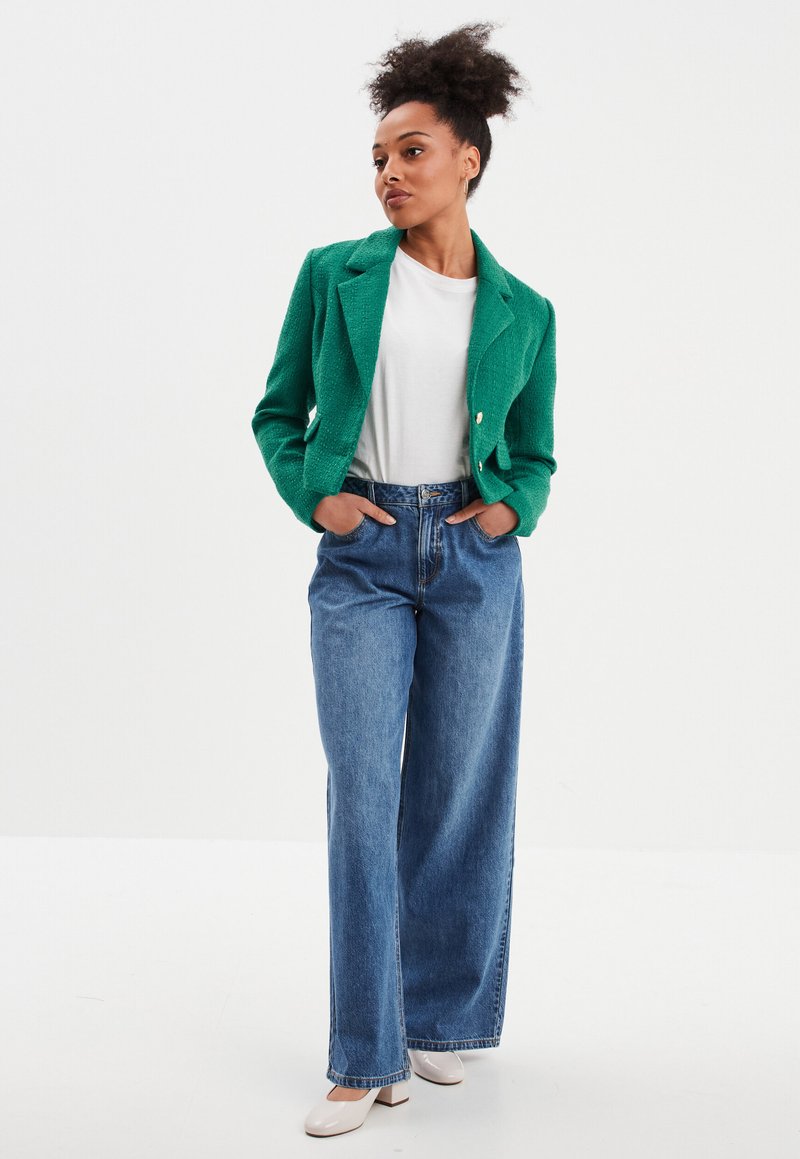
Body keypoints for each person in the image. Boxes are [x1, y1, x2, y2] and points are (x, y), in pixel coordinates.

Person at [250, 21, 558, 1138]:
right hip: (364, 557)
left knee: (459, 791)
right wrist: (317, 496)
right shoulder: (332, 276)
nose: (388, 172)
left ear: (468, 158)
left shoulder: (525, 310)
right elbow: (277, 412)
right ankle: (362, 1051)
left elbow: (535, 450)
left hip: (473, 560)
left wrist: (510, 507)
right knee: (363, 793)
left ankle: (434, 1016)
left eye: (412, 151)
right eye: (379, 156)